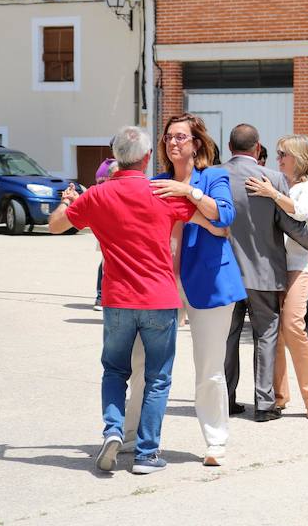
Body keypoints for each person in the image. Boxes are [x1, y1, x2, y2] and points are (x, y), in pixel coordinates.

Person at [49, 126, 197, 475]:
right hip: (159, 298)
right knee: (158, 377)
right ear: (147, 158)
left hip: (118, 298)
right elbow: (214, 220)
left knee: (115, 371)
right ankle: (146, 453)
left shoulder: (99, 195)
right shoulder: (162, 191)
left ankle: (114, 429)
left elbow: (55, 226)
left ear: (116, 157)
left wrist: (67, 202)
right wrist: (189, 190)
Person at [122, 113, 246, 468]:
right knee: (143, 362)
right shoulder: (154, 182)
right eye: (169, 137)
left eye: (181, 137)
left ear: (196, 144)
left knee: (208, 367)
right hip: (161, 284)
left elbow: (224, 217)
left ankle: (216, 442)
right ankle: (133, 437)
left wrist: (187, 194)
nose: (173, 142)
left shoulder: (214, 177)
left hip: (209, 283)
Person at [222, 124, 308, 422]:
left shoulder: (215, 175)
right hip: (264, 273)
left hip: (227, 273)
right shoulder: (272, 179)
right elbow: (288, 223)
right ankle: (264, 404)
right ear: (257, 147)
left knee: (229, 337)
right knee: (266, 336)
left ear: (229, 146)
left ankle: (226, 399)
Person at [245, 134, 308, 419]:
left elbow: (301, 214)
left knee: (292, 326)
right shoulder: (278, 183)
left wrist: (273, 195)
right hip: (273, 265)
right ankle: (278, 396)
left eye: (282, 154)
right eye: (277, 154)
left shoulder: (307, 187)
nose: (277, 159)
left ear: (298, 158)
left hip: (299, 266)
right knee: (273, 332)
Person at [93, 159, 119, 311]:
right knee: (106, 260)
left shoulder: (105, 166)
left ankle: (101, 296)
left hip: (108, 222)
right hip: (108, 223)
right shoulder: (111, 166)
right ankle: (100, 296)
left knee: (106, 260)